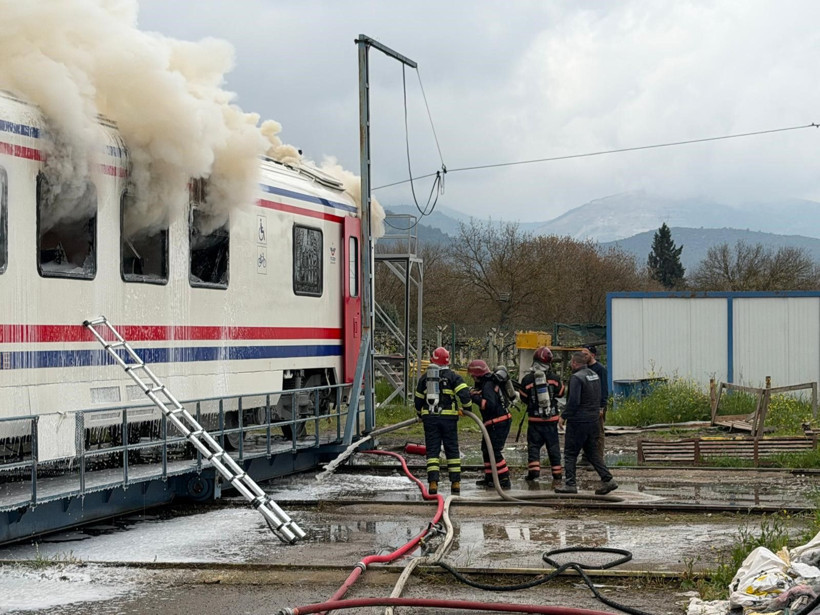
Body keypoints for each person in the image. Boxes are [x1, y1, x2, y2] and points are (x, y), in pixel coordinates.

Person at [555, 352, 617, 495]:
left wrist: (563, 416)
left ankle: (570, 484)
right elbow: (599, 396)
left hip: (578, 422)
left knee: (570, 453)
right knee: (592, 452)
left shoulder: (576, 378)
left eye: (571, 362)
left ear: (574, 363)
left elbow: (574, 402)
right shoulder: (594, 375)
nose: (570, 365)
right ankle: (608, 479)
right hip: (593, 421)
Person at [414, 346, 472, 495]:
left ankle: (433, 484)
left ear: (432, 360)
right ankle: (455, 483)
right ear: (448, 361)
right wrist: (467, 409)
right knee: (452, 449)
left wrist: (420, 414)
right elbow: (464, 394)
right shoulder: (453, 376)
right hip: (449, 419)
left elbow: (418, 399)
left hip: (430, 419)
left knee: (432, 451)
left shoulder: (425, 378)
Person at [518, 346, 565, 486]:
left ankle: (534, 472)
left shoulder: (527, 379)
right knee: (553, 446)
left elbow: (523, 398)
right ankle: (557, 473)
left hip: (535, 420)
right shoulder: (555, 378)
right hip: (551, 420)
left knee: (533, 446)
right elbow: (561, 393)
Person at [468, 359, 512, 490]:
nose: (473, 379)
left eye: (473, 376)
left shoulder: (488, 384)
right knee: (486, 450)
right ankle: (490, 478)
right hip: (494, 422)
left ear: (478, 375)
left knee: (494, 451)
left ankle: (504, 479)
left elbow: (489, 405)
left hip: (498, 423)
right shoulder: (488, 383)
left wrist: (475, 398)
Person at [580, 344, 608, 465]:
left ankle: (598, 460)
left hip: (597, 406)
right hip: (586, 406)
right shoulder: (582, 369)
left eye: (585, 354)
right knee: (585, 432)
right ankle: (586, 458)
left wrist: (601, 407)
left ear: (592, 355)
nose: (583, 356)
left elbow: (604, 389)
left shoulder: (600, 369)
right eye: (582, 354)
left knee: (598, 433)